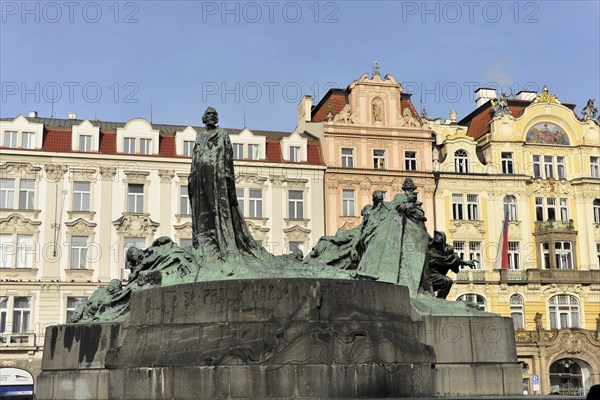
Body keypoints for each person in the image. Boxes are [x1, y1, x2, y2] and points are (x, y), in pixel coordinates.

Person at [188, 107, 262, 260]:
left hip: (218, 176)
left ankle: (224, 246)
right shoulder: (199, 137)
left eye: (214, 114)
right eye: (208, 114)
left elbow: (228, 156)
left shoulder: (222, 134)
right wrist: (192, 176)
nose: (211, 116)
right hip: (200, 177)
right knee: (203, 211)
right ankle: (205, 244)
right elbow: (195, 157)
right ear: (203, 117)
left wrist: (228, 176)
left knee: (219, 210)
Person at [428, 231, 477, 299]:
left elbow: (454, 259)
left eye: (439, 235)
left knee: (447, 281)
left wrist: (466, 262)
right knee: (447, 281)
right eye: (436, 235)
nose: (436, 236)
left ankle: (440, 301)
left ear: (443, 239)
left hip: (436, 276)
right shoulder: (428, 247)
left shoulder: (446, 252)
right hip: (427, 275)